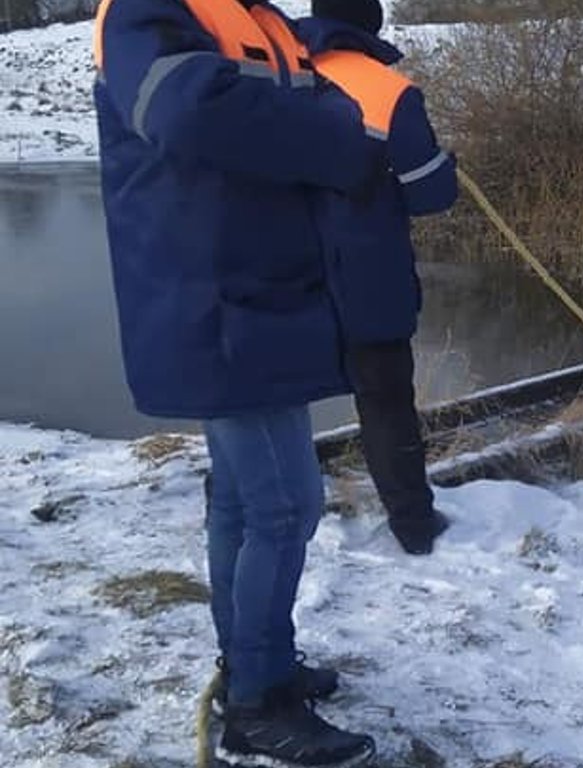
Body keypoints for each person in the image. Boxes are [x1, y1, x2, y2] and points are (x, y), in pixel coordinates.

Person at [93, 0, 383, 764]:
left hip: (264, 296)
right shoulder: (144, 11)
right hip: (210, 299)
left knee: (245, 501)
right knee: (287, 506)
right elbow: (187, 112)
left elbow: (317, 84)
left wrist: (345, 32)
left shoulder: (260, 19)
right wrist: (340, 139)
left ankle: (259, 665)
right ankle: (257, 705)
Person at [298, 0, 459, 556]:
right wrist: (447, 166)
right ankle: (412, 524)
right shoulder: (387, 90)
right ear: (372, 22)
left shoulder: (274, 73)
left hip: (282, 270)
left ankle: (240, 496)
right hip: (366, 276)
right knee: (386, 399)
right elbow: (430, 193)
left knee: (274, 393)